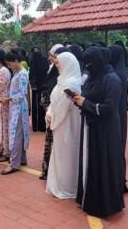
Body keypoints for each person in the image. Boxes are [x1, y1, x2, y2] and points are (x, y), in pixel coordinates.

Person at [72, 46, 125, 218]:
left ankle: (104, 204)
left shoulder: (112, 79)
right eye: (85, 63)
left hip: (105, 129)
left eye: (90, 63)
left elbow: (109, 108)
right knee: (90, 162)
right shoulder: (93, 77)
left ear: (99, 61)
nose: (87, 66)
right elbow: (87, 96)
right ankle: (88, 197)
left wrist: (84, 103)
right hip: (91, 126)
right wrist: (77, 99)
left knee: (103, 163)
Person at [45, 52, 82, 199]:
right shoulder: (62, 80)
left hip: (67, 124)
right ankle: (59, 184)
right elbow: (55, 102)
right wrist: (49, 112)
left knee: (67, 154)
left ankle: (67, 186)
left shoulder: (72, 82)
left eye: (59, 64)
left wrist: (52, 116)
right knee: (60, 154)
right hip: (59, 124)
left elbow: (64, 107)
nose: (57, 66)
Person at [0, 50, 29, 175]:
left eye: (10, 63)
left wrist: (9, 99)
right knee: (19, 134)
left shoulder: (22, 74)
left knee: (15, 136)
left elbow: (23, 93)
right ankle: (21, 159)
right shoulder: (18, 72)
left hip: (19, 108)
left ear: (16, 61)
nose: (8, 66)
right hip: (15, 107)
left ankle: (14, 163)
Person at [39, 44, 64, 180]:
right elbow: (45, 92)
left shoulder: (67, 77)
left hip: (60, 119)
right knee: (51, 145)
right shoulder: (53, 73)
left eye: (55, 57)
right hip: (51, 116)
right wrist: (49, 109)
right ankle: (48, 171)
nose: (53, 60)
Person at [108, 44, 128, 192]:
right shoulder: (120, 71)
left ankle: (116, 181)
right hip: (119, 113)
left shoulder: (115, 74)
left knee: (115, 147)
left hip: (115, 114)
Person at [29, 46, 49, 132]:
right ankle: (39, 126)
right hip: (38, 84)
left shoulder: (34, 60)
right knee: (37, 104)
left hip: (40, 85)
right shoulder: (37, 60)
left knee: (40, 104)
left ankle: (39, 126)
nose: (36, 53)